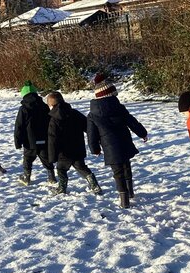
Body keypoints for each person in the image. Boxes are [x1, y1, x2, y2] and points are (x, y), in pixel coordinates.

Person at [87, 73, 147, 208]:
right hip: (124, 143)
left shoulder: (92, 114)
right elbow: (132, 122)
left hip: (110, 148)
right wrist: (142, 133)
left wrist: (95, 149)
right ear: (111, 94)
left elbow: (92, 134)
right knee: (126, 166)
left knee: (117, 172)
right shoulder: (119, 108)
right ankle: (130, 192)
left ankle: (124, 199)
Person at [46, 91, 101, 195]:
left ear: (51, 105)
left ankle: (62, 188)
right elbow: (88, 126)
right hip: (78, 149)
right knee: (82, 168)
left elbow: (52, 140)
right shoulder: (75, 113)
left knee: (61, 169)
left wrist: (52, 157)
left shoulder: (54, 120)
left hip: (64, 153)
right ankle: (95, 185)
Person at [14, 81, 55, 186]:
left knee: (27, 159)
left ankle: (26, 177)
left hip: (29, 141)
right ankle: (51, 176)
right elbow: (50, 121)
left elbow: (19, 126)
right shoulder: (44, 106)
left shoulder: (23, 109)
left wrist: (18, 141)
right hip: (44, 138)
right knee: (46, 158)